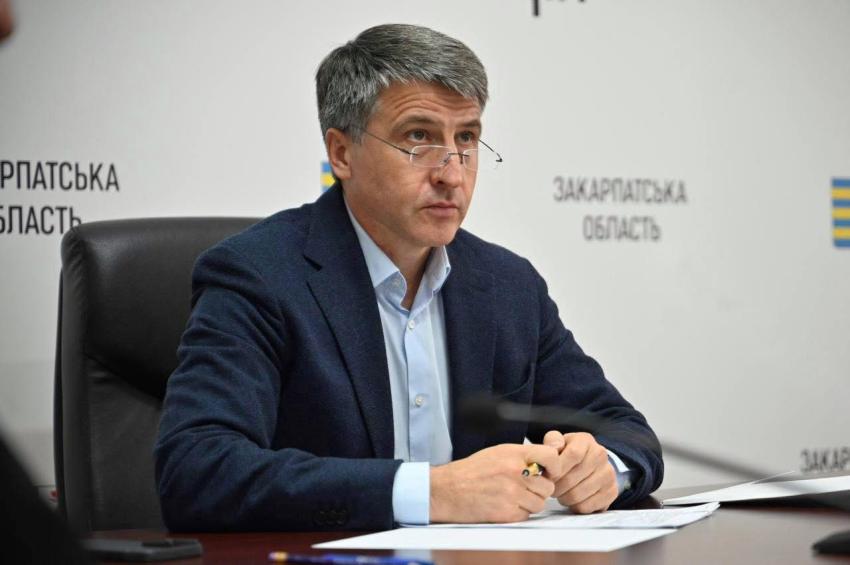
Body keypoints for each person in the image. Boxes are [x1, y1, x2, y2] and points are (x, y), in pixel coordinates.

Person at [154, 23, 663, 531]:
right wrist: (431, 493)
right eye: (418, 138)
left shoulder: (509, 287)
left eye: (466, 139)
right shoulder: (259, 275)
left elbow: (627, 433)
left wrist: (603, 468)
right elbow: (198, 470)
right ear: (342, 154)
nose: (452, 174)